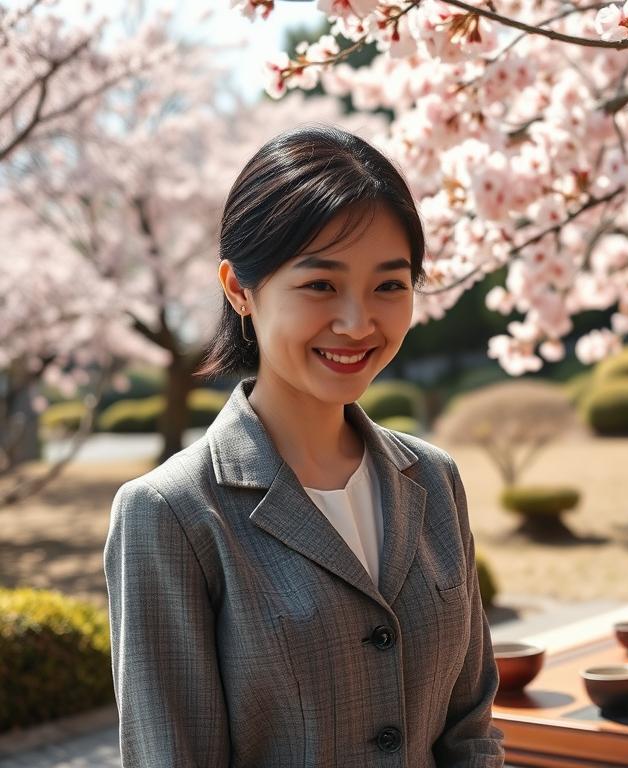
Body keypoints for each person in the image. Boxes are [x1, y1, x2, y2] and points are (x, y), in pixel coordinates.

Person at [102, 125, 506, 767]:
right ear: (239, 289)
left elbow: (471, 732)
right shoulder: (171, 514)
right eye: (320, 284)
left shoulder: (433, 479)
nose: (357, 322)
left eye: (389, 285)